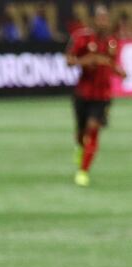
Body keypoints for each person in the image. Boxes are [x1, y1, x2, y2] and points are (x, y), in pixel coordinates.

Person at [66, 5, 127, 187]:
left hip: (103, 95)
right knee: (81, 132)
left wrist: (118, 71)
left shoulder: (112, 41)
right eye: (100, 18)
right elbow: (69, 60)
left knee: (93, 128)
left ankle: (83, 171)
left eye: (106, 19)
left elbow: (113, 65)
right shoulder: (82, 38)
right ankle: (79, 146)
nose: (103, 22)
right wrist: (86, 61)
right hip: (83, 93)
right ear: (94, 20)